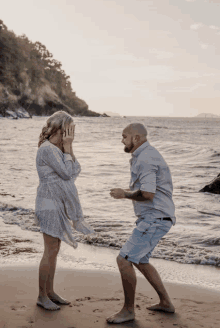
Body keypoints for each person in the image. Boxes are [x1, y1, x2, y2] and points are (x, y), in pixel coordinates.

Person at [107, 123, 176, 324]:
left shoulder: (145, 159)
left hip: (155, 218)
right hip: (158, 217)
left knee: (124, 260)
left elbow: (148, 193)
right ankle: (166, 303)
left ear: (136, 138)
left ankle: (128, 311)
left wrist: (124, 194)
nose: (122, 140)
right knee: (140, 260)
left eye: (124, 136)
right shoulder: (145, 155)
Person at [35, 110, 94, 311]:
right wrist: (68, 146)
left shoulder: (58, 149)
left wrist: (68, 147)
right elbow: (68, 172)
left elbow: (75, 170)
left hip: (55, 201)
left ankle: (50, 292)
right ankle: (42, 296)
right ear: (62, 129)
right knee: (50, 250)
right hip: (49, 202)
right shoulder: (48, 149)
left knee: (54, 249)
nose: (73, 134)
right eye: (71, 130)